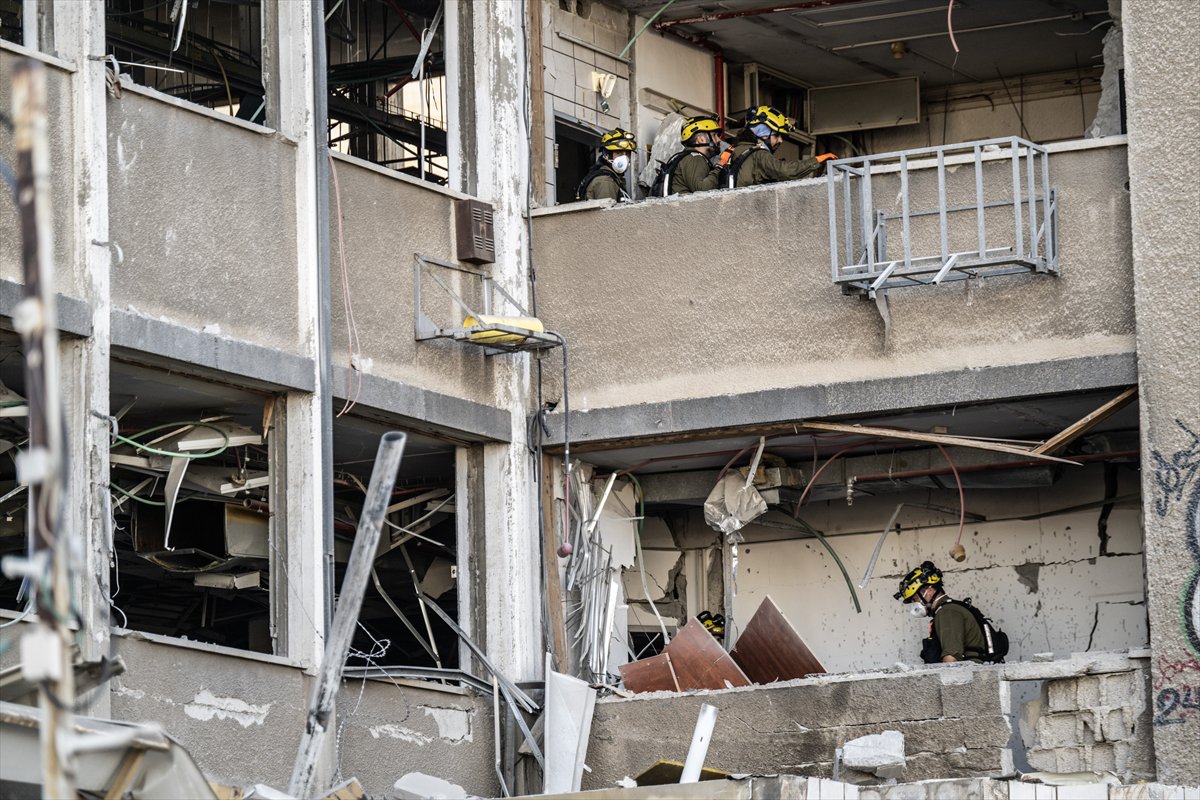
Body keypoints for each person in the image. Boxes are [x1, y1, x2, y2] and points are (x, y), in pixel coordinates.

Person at [721, 105, 837, 189]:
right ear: (762, 133)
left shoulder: (734, 150)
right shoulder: (759, 155)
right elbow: (785, 171)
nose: (780, 140)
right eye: (776, 135)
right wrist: (818, 160)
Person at [895, 561, 987, 664]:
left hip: (972, 676)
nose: (915, 605)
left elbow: (951, 660)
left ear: (929, 592)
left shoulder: (947, 612)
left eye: (915, 599)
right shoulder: (948, 610)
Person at [652, 115, 724, 197]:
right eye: (714, 135)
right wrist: (719, 167)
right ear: (701, 139)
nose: (718, 140)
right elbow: (703, 191)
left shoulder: (687, 157)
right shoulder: (695, 158)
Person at [576, 127, 637, 202]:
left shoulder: (613, 178)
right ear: (606, 155)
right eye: (618, 153)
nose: (624, 158)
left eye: (627, 154)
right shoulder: (605, 181)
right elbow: (608, 213)